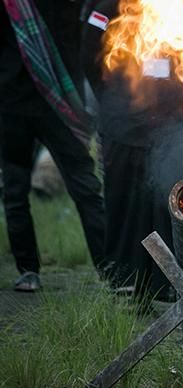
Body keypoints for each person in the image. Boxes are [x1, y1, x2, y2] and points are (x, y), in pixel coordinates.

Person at [81, 0, 183, 311]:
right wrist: (113, 102)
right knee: (127, 201)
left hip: (170, 122)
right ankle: (130, 283)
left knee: (182, 198)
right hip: (124, 124)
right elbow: (88, 56)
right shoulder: (106, 7)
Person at [0, 0, 106, 292]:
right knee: (15, 191)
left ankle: (111, 269)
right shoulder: (12, 5)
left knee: (85, 187)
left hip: (60, 106)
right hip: (13, 104)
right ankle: (28, 270)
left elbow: (92, 34)